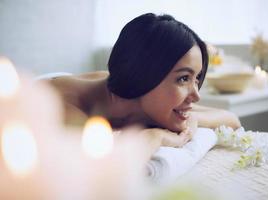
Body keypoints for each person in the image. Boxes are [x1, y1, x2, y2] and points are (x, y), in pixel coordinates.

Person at [49, 13, 241, 156]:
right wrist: (156, 137)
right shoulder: (63, 108)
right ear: (145, 75)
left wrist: (189, 123)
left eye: (196, 78)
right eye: (183, 78)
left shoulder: (140, 99)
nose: (196, 95)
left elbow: (231, 119)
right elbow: (107, 169)